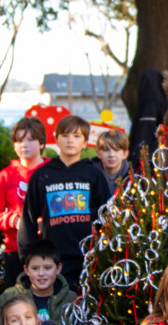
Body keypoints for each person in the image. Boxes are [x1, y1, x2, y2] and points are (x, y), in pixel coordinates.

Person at [21, 115, 114, 290]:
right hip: (53, 261)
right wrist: (30, 257)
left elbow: (107, 216)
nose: (70, 140)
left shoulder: (93, 174)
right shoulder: (42, 176)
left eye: (77, 136)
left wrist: (104, 253)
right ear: (55, 140)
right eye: (65, 135)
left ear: (86, 142)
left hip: (89, 258)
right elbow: (28, 220)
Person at [0, 116, 48, 288]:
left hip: (49, 250)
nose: (24, 145)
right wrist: (15, 221)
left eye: (30, 139)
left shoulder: (52, 172)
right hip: (16, 252)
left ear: (42, 143)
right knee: (17, 301)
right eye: (19, 140)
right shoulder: (6, 175)